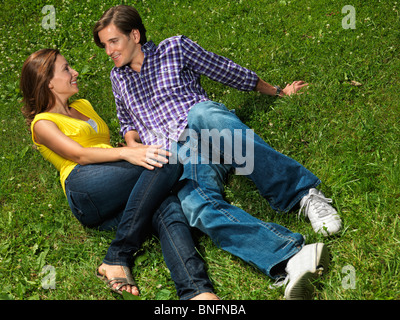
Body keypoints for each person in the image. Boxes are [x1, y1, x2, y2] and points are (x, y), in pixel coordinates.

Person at [93, 5, 341, 300]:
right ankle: (291, 257)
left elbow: (225, 70)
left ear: (134, 35)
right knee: (197, 207)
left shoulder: (175, 48)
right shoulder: (118, 77)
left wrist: (277, 91)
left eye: (113, 41)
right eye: (104, 45)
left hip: (207, 127)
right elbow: (127, 121)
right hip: (178, 157)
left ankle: (304, 195)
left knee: (202, 113)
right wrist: (133, 146)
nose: (109, 51)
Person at [20, 48, 219, 300]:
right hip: (84, 187)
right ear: (48, 82)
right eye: (66, 69)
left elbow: (103, 146)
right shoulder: (43, 123)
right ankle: (119, 254)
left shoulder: (83, 105)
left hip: (115, 185)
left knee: (167, 207)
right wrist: (125, 153)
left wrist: (130, 148)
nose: (75, 72)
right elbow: (80, 155)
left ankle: (196, 292)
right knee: (167, 160)